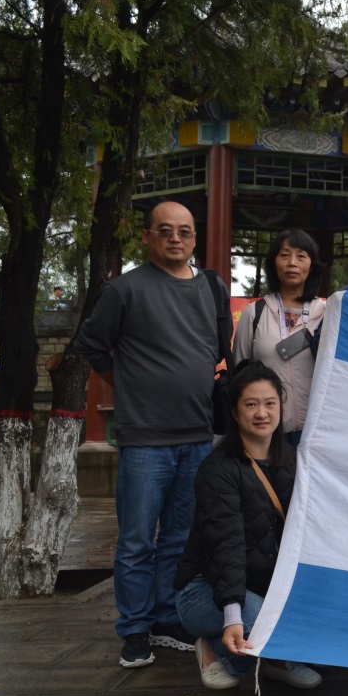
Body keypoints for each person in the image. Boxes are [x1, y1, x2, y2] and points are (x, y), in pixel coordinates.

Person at [76, 201, 225, 668]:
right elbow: (91, 345)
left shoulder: (212, 287)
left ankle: (165, 617)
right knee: (137, 540)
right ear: (146, 236)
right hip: (144, 439)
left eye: (184, 231)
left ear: (195, 238)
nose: (175, 238)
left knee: (179, 538)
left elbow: (218, 348)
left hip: (198, 434)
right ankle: (134, 628)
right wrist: (128, 384)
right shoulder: (124, 289)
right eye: (165, 230)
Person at [174, 360, 322, 690]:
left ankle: (271, 657)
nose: (262, 413)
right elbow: (225, 546)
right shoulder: (218, 469)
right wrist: (232, 616)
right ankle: (215, 649)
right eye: (251, 404)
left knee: (319, 628)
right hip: (207, 589)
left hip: (262, 585)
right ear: (235, 411)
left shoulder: (293, 460)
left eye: (270, 403)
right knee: (270, 626)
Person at [232, 229, 326, 446]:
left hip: (316, 433)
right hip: (266, 431)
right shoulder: (254, 313)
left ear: (312, 265)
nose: (292, 263)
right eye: (284, 255)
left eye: (301, 256)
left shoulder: (328, 313)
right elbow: (240, 373)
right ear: (273, 263)